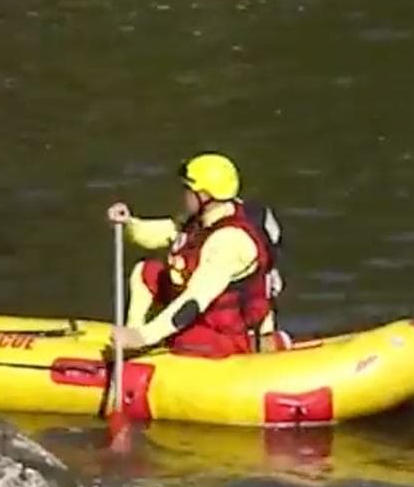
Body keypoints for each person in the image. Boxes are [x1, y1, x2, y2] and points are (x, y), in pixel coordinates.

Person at [106, 152, 290, 357]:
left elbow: (194, 300)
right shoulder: (201, 217)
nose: (182, 194)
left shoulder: (229, 241)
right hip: (204, 314)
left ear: (203, 195)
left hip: (230, 329)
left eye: (187, 189)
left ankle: (265, 344)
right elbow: (164, 232)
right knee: (148, 271)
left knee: (187, 342)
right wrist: (129, 223)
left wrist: (144, 336)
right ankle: (131, 341)